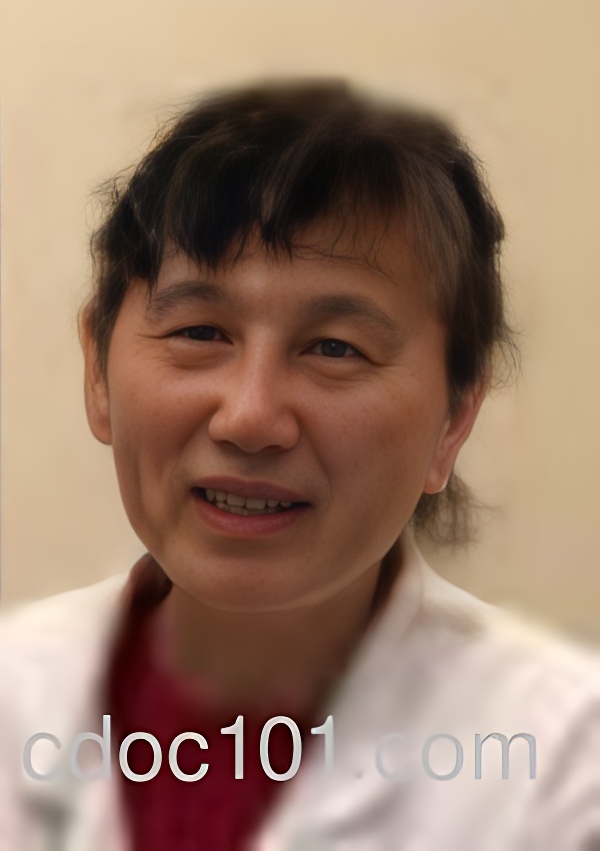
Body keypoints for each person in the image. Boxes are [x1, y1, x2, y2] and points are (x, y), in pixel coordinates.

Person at [1, 80, 599, 851]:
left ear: (453, 420)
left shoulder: (567, 769)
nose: (250, 418)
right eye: (199, 331)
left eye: (335, 348)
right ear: (98, 374)